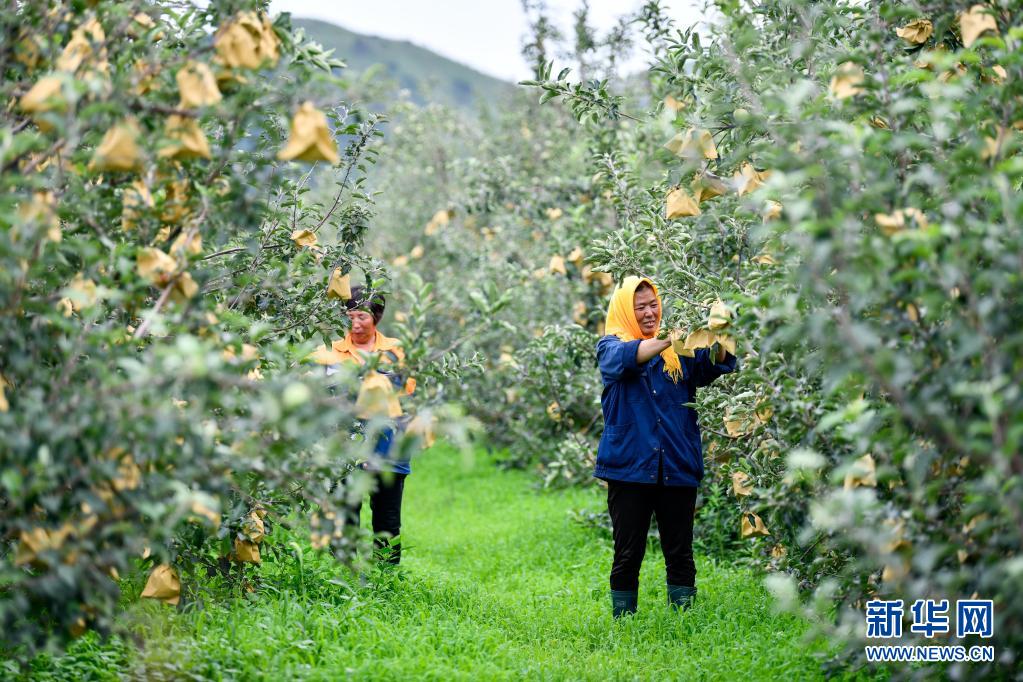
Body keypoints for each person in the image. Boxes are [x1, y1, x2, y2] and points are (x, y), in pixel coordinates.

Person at [595, 276, 737, 618]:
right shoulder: (611, 347)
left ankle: (683, 620)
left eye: (653, 305)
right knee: (628, 551)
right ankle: (623, 622)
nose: (648, 313)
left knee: (680, 551)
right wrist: (668, 338)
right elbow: (630, 357)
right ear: (625, 310)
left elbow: (714, 362)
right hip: (630, 468)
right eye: (639, 307)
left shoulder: (681, 352)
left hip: (676, 463)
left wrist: (723, 329)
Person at [312, 286, 416, 564]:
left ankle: (387, 582)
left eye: (363, 317)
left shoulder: (395, 351)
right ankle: (343, 578)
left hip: (388, 448)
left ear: (376, 318)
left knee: (387, 520)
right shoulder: (330, 352)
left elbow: (406, 396)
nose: (356, 323)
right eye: (351, 316)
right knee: (344, 517)